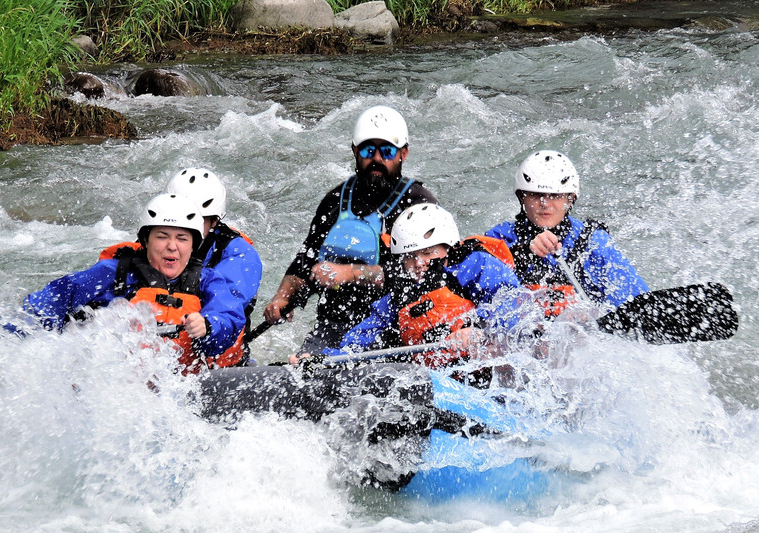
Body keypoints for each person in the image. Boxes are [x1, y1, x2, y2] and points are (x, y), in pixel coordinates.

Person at [262, 106, 438, 353]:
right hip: (334, 325)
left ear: (403, 154)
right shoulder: (335, 200)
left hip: (394, 327)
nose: (376, 159)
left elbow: (430, 273)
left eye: (386, 151)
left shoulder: (419, 204)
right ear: (355, 151)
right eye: (368, 150)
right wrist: (282, 297)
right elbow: (306, 260)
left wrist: (352, 273)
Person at [20, 193, 246, 372]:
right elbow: (49, 301)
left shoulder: (208, 281)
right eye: (162, 236)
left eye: (182, 238)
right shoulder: (113, 273)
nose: (172, 246)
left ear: (193, 245)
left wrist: (208, 326)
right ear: (146, 240)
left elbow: (230, 318)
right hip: (116, 381)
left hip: (182, 384)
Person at [300, 203, 523, 367]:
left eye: (427, 253)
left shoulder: (475, 266)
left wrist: (480, 329)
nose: (418, 264)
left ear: (447, 248)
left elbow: (513, 301)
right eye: (410, 257)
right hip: (440, 381)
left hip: (489, 367)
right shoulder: (399, 296)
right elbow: (358, 341)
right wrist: (323, 359)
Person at [484, 150, 648, 314]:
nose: (545, 204)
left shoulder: (594, 242)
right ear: (522, 197)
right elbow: (476, 282)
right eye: (535, 195)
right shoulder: (499, 238)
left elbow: (634, 306)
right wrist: (525, 253)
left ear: (570, 199)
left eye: (555, 196)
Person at [162, 167, 262, 365]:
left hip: (217, 364)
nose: (185, 224)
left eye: (195, 218)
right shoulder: (155, 245)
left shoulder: (239, 254)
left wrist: (207, 325)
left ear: (214, 220)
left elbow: (227, 309)